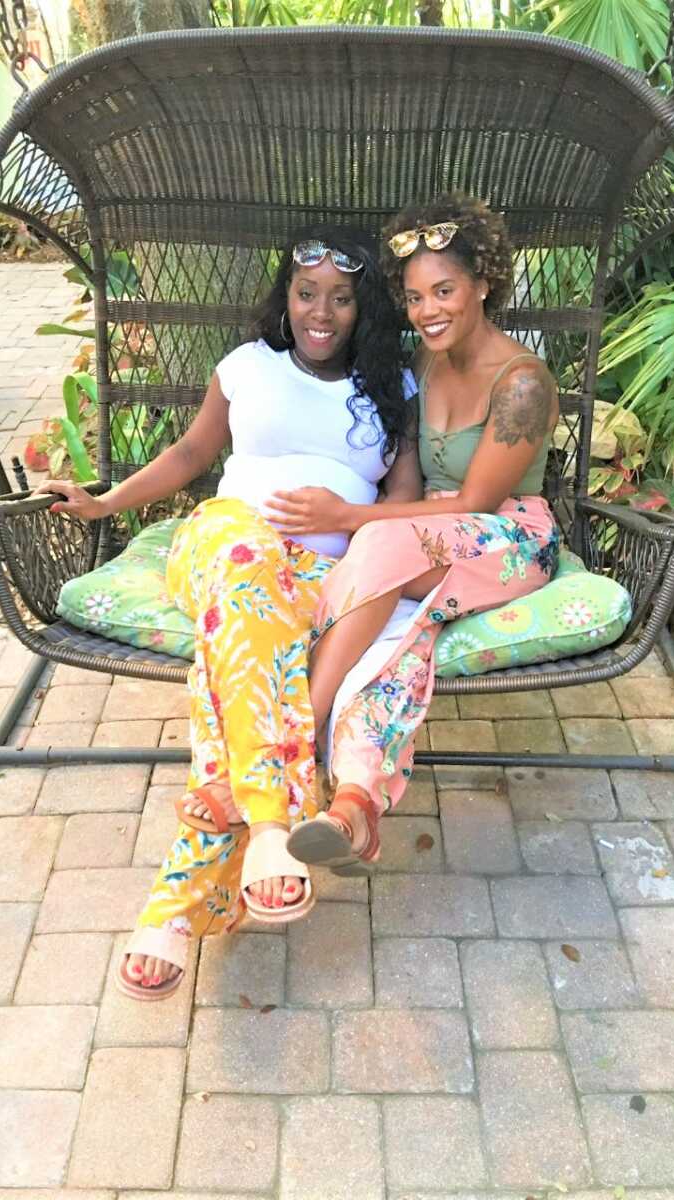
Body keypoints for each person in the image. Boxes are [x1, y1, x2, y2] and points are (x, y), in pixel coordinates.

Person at [36, 226, 418, 997]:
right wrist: (105, 501)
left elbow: (402, 507)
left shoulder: (394, 387)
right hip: (223, 543)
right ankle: (275, 826)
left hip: (320, 573)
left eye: (340, 298)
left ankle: (177, 905)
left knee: (248, 654)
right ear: (286, 297)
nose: (320, 311)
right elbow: (189, 457)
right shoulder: (248, 367)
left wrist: (343, 513)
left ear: (362, 307)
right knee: (246, 573)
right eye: (306, 293)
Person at [263, 193, 561, 876]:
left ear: (484, 284)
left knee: (380, 547)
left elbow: (479, 503)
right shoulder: (426, 363)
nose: (429, 311)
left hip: (505, 536)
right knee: (398, 636)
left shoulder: (522, 384)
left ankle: (299, 728)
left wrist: (345, 518)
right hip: (426, 537)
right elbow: (409, 481)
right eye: (417, 296)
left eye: (446, 291)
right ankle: (357, 805)